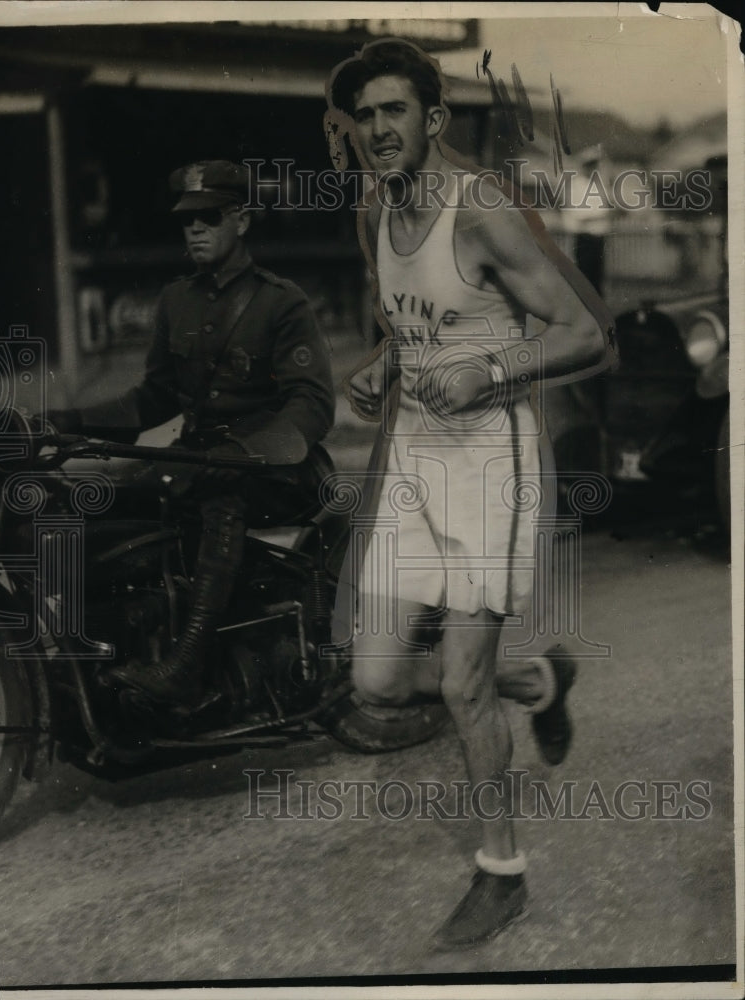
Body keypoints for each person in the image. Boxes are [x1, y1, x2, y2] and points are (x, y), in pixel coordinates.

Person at [326, 40, 616, 949]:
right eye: (363, 115)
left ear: (433, 120)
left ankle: (502, 873)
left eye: (394, 111)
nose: (377, 129)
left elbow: (588, 334)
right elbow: (415, 327)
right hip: (415, 458)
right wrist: (381, 369)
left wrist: (491, 368)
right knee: (374, 681)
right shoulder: (374, 209)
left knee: (457, 684)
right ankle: (539, 675)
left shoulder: (482, 212)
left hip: (493, 464)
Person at [45, 160, 335, 705]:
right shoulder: (177, 300)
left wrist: (245, 452)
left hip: (277, 469)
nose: (195, 229)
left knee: (219, 492)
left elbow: (312, 403)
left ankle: (188, 665)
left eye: (209, 217)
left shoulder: (281, 302)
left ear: (242, 221)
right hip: (195, 462)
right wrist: (68, 420)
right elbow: (152, 396)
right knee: (91, 503)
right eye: (187, 220)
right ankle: (107, 655)